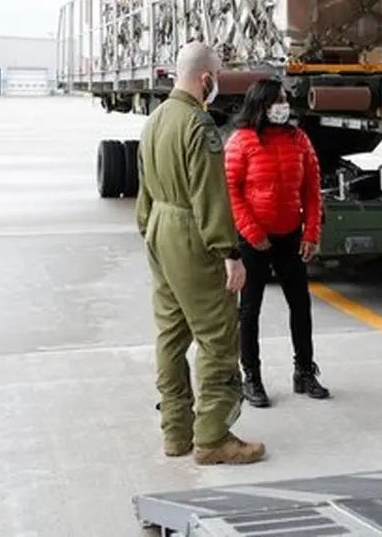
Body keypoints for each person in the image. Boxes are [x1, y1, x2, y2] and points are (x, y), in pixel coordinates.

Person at [135, 41, 266, 465]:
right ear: (206, 78)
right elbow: (210, 197)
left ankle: (176, 433)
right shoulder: (199, 125)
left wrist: (152, 235)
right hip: (191, 234)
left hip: (159, 230)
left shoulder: (155, 120)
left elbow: (144, 193)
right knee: (216, 338)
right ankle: (212, 437)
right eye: (218, 76)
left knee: (171, 337)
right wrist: (230, 252)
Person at [224, 78, 329, 407]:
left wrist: (311, 232)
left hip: (290, 237)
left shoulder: (299, 140)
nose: (284, 105)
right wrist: (253, 234)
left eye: (285, 99)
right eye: (277, 100)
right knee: (249, 310)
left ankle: (304, 371)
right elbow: (230, 192)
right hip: (254, 241)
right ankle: (251, 377)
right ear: (261, 105)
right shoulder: (241, 141)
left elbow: (312, 189)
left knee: (300, 305)